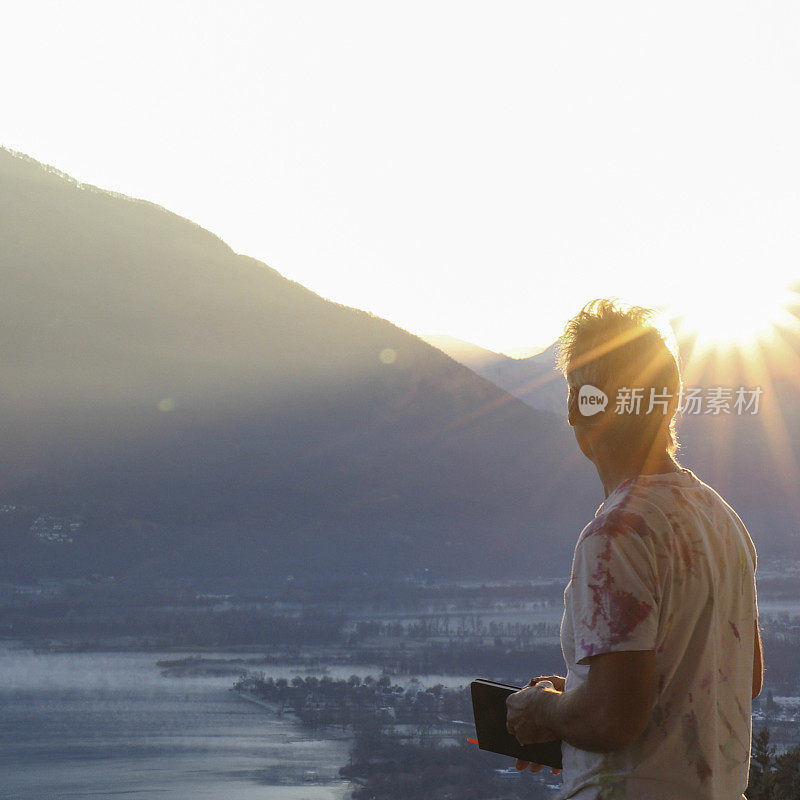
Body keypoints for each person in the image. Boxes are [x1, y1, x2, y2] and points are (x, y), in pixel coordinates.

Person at [506, 299, 762, 800]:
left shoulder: (616, 535)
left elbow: (613, 718)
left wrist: (542, 710)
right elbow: (739, 675)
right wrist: (582, 690)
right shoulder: (721, 519)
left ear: (582, 407)